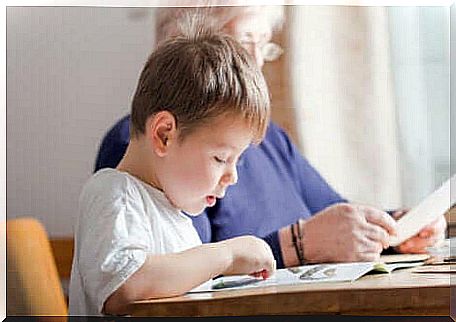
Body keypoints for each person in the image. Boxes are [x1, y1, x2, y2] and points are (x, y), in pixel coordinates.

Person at [94, 5, 447, 269]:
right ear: (183, 47)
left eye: (265, 46)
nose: (257, 63)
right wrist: (294, 245)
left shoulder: (271, 140)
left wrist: (396, 231)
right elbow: (181, 275)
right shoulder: (136, 150)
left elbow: (335, 217)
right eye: (245, 42)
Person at [69, 25, 276, 316]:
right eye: (221, 158)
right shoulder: (115, 193)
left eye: (236, 161)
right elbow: (124, 286)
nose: (233, 177)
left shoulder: (176, 221)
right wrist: (227, 255)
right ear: (164, 134)